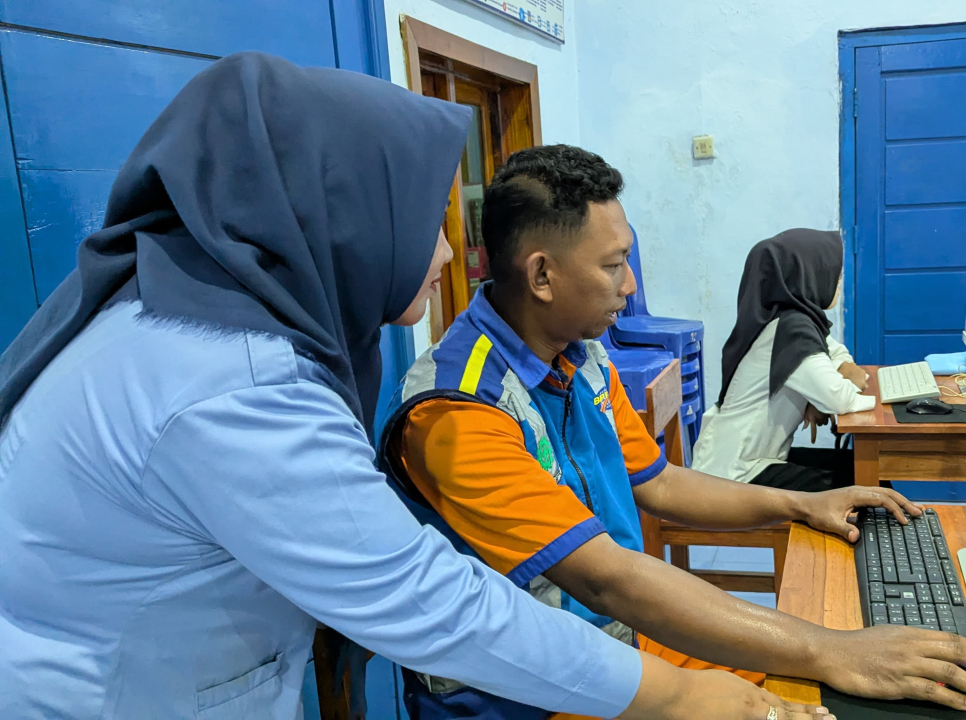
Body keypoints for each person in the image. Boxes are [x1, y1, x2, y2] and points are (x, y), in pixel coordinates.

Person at [0, 54, 812, 720]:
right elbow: (432, 600)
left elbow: (647, 490)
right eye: (426, 225)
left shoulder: (219, 324)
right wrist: (684, 699)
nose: (450, 257)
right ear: (345, 218)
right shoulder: (230, 384)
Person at [379, 144, 966, 719]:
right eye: (614, 265)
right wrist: (832, 650)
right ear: (542, 276)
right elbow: (603, 578)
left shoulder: (579, 354)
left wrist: (799, 504)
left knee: (822, 688)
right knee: (818, 674)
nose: (630, 286)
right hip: (522, 693)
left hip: (611, 637)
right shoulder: (458, 410)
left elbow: (660, 483)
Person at [693, 229, 874, 492]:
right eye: (834, 274)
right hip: (736, 476)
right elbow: (839, 398)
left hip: (746, 461)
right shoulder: (792, 330)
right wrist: (849, 388)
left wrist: (822, 393)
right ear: (808, 275)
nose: (838, 282)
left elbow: (835, 353)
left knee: (862, 472)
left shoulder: (792, 320)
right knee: (865, 484)